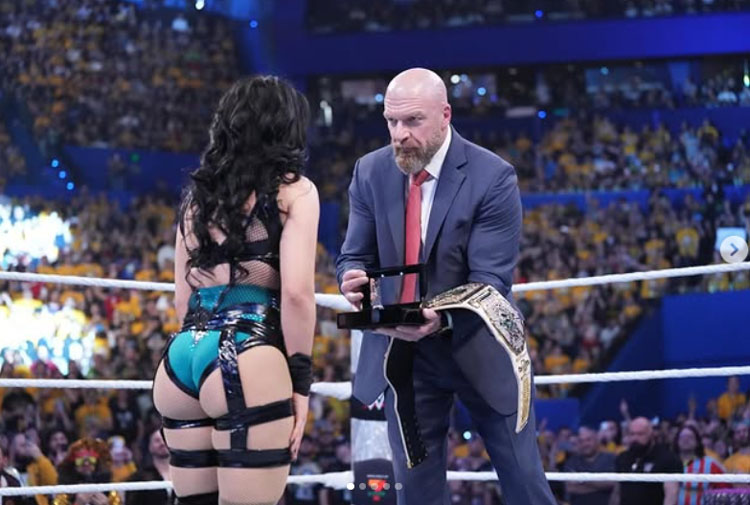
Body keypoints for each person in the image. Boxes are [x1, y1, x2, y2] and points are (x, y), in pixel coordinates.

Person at [336, 67, 556, 504]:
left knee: (524, 483)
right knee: (417, 493)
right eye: (391, 121)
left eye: (413, 120)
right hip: (406, 356)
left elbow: (490, 279)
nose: (399, 134)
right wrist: (352, 279)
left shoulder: (493, 176)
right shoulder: (371, 171)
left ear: (445, 115)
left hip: (480, 342)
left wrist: (440, 318)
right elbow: (353, 254)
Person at [152, 76, 319, 505]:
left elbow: (182, 297)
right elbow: (297, 294)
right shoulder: (295, 192)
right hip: (248, 352)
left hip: (183, 357)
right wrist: (300, 382)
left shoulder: (195, 199)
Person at [612, 417, 683, 505]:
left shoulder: (668, 458)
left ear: (651, 434)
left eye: (640, 434)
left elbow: (671, 494)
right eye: (632, 434)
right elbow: (617, 491)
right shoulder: (623, 458)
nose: (635, 438)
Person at [673, 424, 727, 505]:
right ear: (677, 441)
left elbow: (725, 490)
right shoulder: (668, 463)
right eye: (682, 437)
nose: (686, 439)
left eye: (690, 437)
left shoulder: (710, 464)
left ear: (697, 442)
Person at [563, 426, 616, 505]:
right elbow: (570, 488)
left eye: (588, 440)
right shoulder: (572, 461)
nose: (585, 444)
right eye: (581, 441)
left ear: (596, 440)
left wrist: (582, 481)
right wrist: (601, 485)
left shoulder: (610, 459)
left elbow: (613, 483)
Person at [125, 429, 173, 505]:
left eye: (165, 440)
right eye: (157, 440)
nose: (162, 443)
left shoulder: (185, 474)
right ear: (149, 446)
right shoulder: (139, 477)